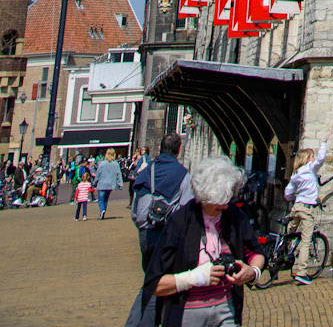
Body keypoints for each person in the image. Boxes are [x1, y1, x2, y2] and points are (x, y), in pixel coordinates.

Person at [143, 155, 266, 327]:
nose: (224, 206)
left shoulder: (235, 216)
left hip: (226, 309)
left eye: (228, 200)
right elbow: (154, 284)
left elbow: (255, 253)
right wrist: (194, 278)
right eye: (218, 202)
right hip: (186, 312)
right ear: (203, 196)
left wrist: (253, 272)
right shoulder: (179, 222)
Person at [133, 135, 192, 271]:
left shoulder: (146, 172)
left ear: (160, 149)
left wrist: (142, 225)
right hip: (169, 233)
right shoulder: (183, 174)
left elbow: (136, 210)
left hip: (146, 232)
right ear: (180, 149)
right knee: (165, 281)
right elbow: (187, 208)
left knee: (150, 277)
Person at [282, 139, 327, 284]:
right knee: (306, 241)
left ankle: (282, 255)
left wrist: (293, 196)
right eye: (311, 156)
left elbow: (288, 194)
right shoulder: (310, 168)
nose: (313, 159)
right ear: (308, 159)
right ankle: (301, 272)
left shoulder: (296, 174)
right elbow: (321, 159)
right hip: (307, 209)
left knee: (290, 232)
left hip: (296, 207)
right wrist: (324, 143)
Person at [96, 147, 124, 219]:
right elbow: (119, 174)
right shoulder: (116, 164)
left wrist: (94, 182)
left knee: (101, 199)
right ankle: (103, 213)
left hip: (102, 184)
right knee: (105, 199)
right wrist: (120, 184)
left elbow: (98, 174)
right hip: (110, 184)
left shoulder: (102, 163)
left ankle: (102, 210)